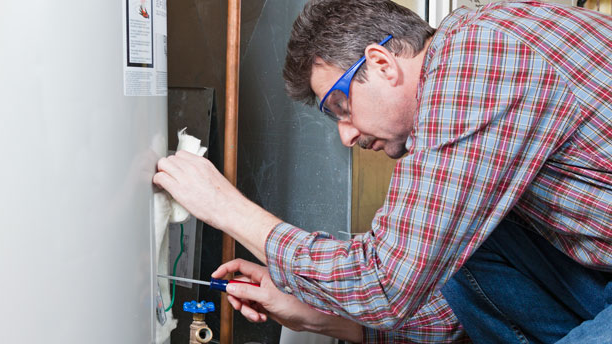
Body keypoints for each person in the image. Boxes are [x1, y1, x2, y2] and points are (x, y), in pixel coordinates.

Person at [154, 0, 612, 342]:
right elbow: (453, 307)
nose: (346, 135)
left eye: (340, 106)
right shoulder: (476, 57)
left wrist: (229, 210)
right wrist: (320, 316)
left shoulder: (479, 55)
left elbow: (386, 282)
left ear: (380, 63)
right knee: (448, 248)